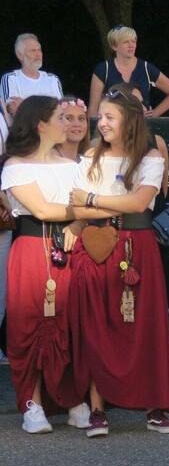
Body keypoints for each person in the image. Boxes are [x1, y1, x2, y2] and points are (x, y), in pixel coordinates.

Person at [66, 83, 169, 436]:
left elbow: (139, 202)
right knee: (101, 325)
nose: (102, 123)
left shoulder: (150, 156)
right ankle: (98, 410)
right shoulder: (91, 155)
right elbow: (76, 204)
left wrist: (93, 198)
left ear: (129, 120)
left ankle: (155, 408)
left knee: (145, 325)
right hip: (99, 243)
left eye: (109, 117)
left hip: (138, 245)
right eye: (102, 117)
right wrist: (93, 203)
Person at [0, 96, 89, 433]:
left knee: (69, 323)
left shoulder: (73, 165)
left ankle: (69, 397)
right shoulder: (15, 166)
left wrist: (79, 224)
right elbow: (41, 210)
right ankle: (32, 403)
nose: (66, 123)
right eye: (59, 117)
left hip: (69, 248)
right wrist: (82, 212)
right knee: (31, 324)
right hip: (31, 248)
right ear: (41, 124)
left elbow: (86, 207)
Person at [87, 26, 169, 119]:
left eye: (133, 41)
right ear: (114, 46)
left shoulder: (146, 68)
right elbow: (93, 109)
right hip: (114, 129)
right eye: (125, 42)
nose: (131, 45)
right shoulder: (103, 69)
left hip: (141, 128)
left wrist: (153, 115)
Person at [2, 35, 63, 121]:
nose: (38, 54)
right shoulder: (10, 78)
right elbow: (16, 114)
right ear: (20, 55)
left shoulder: (53, 79)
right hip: (25, 134)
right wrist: (49, 108)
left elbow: (62, 111)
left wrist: (25, 104)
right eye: (33, 51)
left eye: (39, 50)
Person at [56, 97, 89, 162]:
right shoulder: (48, 163)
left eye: (81, 119)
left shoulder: (88, 162)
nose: (77, 124)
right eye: (69, 118)